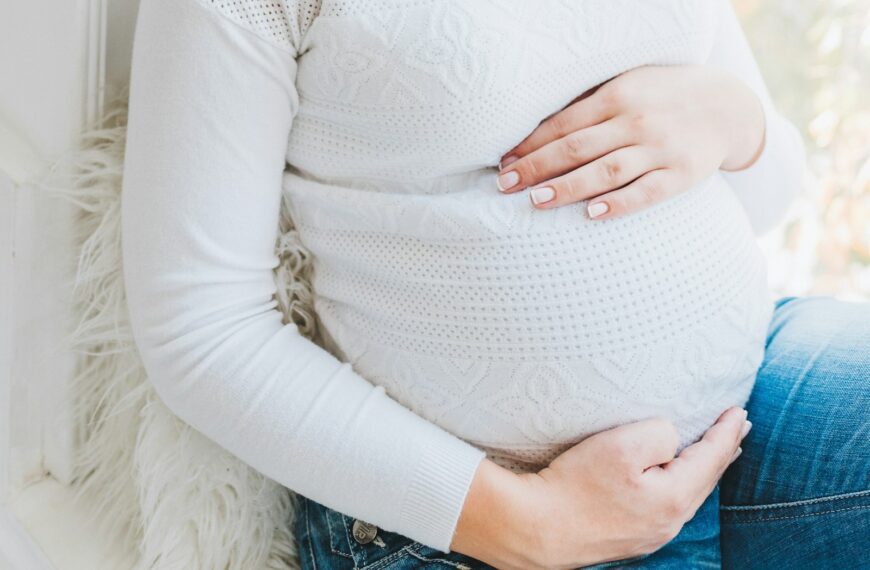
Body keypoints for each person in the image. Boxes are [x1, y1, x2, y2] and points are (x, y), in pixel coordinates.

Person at [120, 0, 869, 568]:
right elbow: (200, 329)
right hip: (473, 519)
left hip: (744, 406)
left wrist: (736, 120)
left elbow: (765, 196)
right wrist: (526, 523)